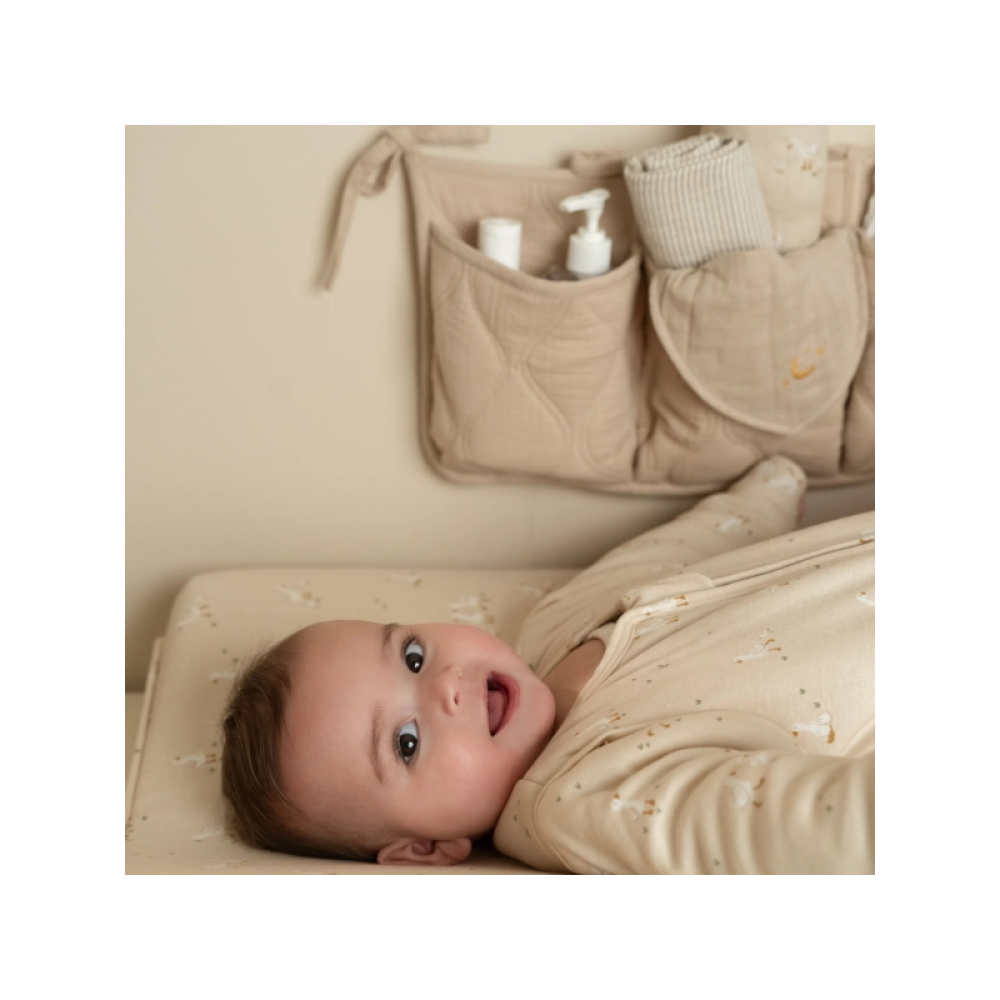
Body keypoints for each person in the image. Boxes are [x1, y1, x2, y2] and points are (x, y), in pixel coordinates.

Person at [221, 456, 874, 874]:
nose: (444, 686)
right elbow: (815, 826)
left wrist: (770, 487)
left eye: (413, 656)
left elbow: (680, 549)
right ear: (425, 847)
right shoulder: (590, 801)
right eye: (407, 742)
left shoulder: (554, 625)